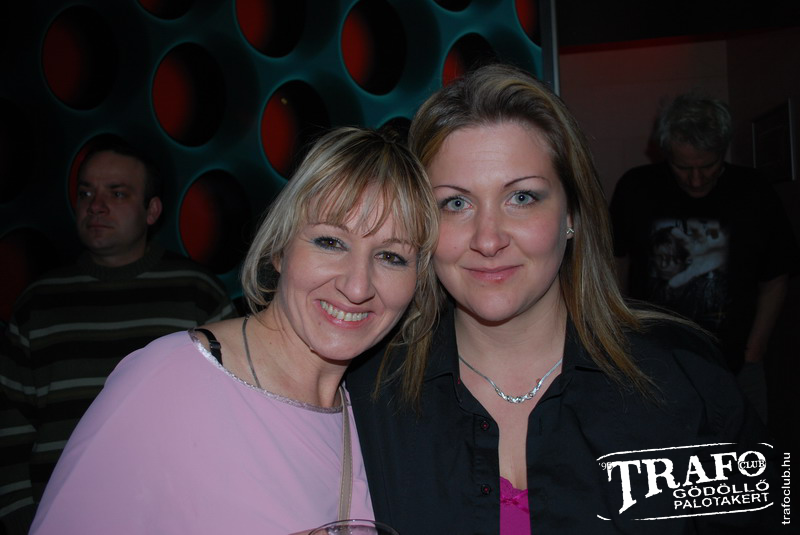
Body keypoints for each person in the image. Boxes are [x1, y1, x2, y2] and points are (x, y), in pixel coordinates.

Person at [347, 64, 778, 534]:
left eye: (522, 198)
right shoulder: (367, 394)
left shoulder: (685, 379)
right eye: (455, 203)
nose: (488, 240)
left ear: (571, 213)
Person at [29, 126, 439, 534]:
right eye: (331, 242)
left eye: (391, 257)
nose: (358, 286)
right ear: (280, 248)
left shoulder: (378, 418)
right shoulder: (169, 379)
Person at [0, 138, 237, 533]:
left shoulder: (198, 294)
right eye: (86, 192)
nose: (95, 205)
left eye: (117, 193)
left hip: (177, 520)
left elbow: (235, 413)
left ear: (152, 210)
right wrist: (26, 522)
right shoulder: (37, 303)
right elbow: (9, 429)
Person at [609, 92, 800, 422]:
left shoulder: (755, 191)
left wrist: (754, 351)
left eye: (708, 166)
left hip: (736, 364)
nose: (696, 179)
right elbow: (616, 261)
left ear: (723, 151)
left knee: (747, 449)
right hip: (653, 362)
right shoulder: (636, 187)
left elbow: (776, 277)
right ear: (665, 153)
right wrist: (620, 331)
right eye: (683, 167)